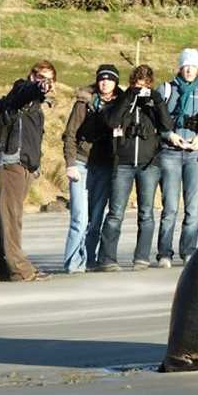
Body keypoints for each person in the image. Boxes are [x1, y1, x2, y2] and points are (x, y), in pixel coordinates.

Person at [0, 61, 55, 282]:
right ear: (31, 76)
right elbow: (24, 91)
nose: (44, 82)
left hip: (24, 166)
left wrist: (34, 167)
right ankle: (20, 269)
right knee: (12, 217)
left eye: (49, 79)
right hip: (10, 164)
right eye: (39, 76)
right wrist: (36, 87)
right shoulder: (20, 91)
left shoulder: (35, 106)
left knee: (5, 215)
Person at [97, 65, 173, 271]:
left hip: (149, 164)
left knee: (146, 212)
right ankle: (108, 258)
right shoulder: (122, 101)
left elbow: (167, 126)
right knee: (115, 213)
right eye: (137, 85)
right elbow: (112, 121)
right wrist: (129, 97)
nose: (141, 89)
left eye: (145, 85)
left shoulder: (153, 103)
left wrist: (156, 101)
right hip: (123, 163)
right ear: (131, 84)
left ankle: (141, 257)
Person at [61, 64, 123, 274]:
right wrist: (70, 164)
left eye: (109, 79)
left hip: (105, 165)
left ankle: (89, 259)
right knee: (80, 217)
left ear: (115, 82)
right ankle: (73, 263)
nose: (104, 82)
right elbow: (70, 134)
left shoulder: (121, 104)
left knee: (96, 218)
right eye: (101, 79)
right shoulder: (84, 102)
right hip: (81, 162)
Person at [155, 48, 198, 268]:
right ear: (180, 67)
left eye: (193, 66)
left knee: (193, 207)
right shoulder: (166, 89)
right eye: (186, 65)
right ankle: (164, 253)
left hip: (193, 154)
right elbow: (156, 121)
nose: (189, 70)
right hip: (170, 153)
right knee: (170, 207)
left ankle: (189, 250)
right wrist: (170, 135)